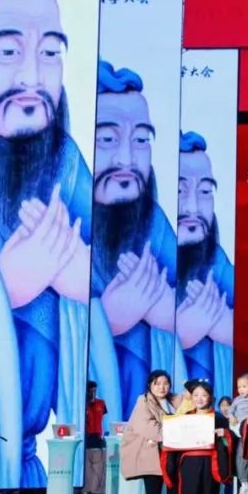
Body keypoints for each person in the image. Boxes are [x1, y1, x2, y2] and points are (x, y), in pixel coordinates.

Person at [0, 0, 94, 490]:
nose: (32, 77)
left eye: (50, 53)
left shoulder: (64, 162)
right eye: (7, 53)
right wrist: (2, 287)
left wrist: (83, 279)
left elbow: (110, 282)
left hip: (31, 464)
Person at [87, 60, 182, 434]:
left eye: (141, 140)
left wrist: (163, 310)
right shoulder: (60, 212)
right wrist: (108, 316)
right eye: (108, 140)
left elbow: (202, 306)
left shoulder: (152, 222)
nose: (127, 159)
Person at [175, 131, 233, 398]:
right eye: (180, 190)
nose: (193, 207)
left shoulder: (215, 260)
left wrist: (222, 325)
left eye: (205, 192)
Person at [160, 381, 233, 494]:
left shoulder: (218, 418)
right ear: (191, 398)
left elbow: (228, 442)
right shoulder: (185, 418)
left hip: (209, 464)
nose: (200, 399)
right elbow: (175, 442)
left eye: (204, 395)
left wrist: (225, 435)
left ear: (211, 398)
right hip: (188, 465)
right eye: (196, 395)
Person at [120, 370, 181, 494]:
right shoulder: (143, 403)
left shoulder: (175, 401)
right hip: (153, 459)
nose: (162, 387)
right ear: (150, 386)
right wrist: (178, 429)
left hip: (174, 458)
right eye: (157, 383)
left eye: (165, 383)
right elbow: (152, 430)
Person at [83, 381, 108, 494]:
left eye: (94, 391)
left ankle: (99, 489)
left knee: (100, 463)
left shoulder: (101, 403)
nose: (93, 393)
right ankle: (87, 490)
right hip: (87, 437)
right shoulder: (83, 405)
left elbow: (103, 419)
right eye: (90, 391)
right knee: (88, 465)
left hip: (98, 436)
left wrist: (104, 433)